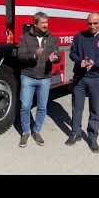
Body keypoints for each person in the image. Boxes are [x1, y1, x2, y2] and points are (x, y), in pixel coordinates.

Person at [66, 13, 99, 153]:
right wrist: (79, 61)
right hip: (80, 78)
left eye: (95, 23)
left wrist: (95, 63)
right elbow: (72, 53)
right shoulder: (79, 36)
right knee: (77, 108)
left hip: (97, 78)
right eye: (90, 23)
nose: (92, 26)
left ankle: (92, 137)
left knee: (95, 109)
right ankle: (75, 133)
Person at [17, 12, 60, 148]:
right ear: (35, 24)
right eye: (42, 23)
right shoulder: (25, 37)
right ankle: (25, 132)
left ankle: (36, 131)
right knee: (25, 106)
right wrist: (34, 55)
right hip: (28, 76)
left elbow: (57, 54)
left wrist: (56, 57)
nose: (45, 25)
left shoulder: (52, 38)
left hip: (45, 78)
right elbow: (20, 56)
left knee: (42, 107)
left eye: (47, 23)